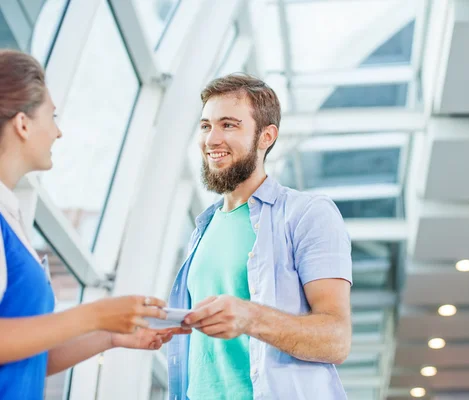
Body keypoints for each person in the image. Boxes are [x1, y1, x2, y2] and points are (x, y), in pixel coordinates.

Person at [0, 49, 189, 399]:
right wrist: (95, 313)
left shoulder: (11, 217)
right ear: (23, 124)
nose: (58, 132)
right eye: (52, 116)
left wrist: (109, 334)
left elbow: (28, 358)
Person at [167, 73, 353, 400]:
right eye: (206, 125)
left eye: (229, 125)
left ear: (266, 136)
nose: (211, 139)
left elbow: (336, 340)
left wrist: (251, 317)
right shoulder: (203, 228)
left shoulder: (307, 214)